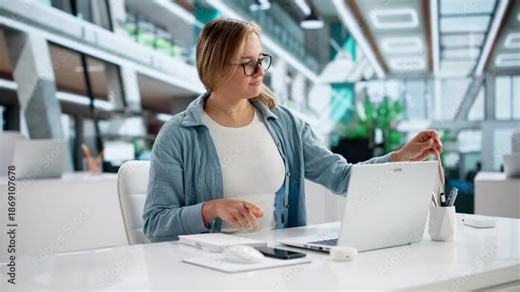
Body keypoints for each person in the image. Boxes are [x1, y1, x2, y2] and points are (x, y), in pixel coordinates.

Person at [142, 18, 443, 242]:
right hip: (209, 272)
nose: (260, 71)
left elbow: (340, 177)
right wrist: (210, 209)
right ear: (216, 68)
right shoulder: (178, 135)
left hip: (280, 264)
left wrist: (400, 157)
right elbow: (155, 225)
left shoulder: (284, 124)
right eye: (247, 63)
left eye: (260, 60)